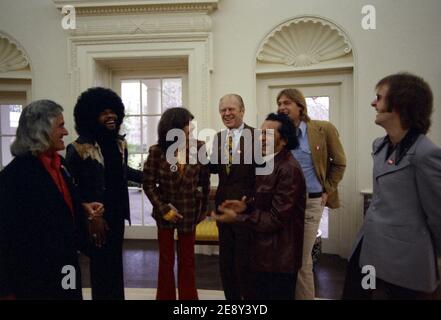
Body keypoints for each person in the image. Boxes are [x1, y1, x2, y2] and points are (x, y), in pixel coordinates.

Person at [342, 72, 441, 299]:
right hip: (369, 252)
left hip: (405, 263)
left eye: (379, 97)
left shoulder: (426, 154)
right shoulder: (380, 146)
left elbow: (438, 215)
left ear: (398, 105)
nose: (373, 103)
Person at [0, 100, 100, 300]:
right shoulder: (13, 177)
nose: (66, 132)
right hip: (35, 279)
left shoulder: (60, 165)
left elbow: (55, 205)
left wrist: (82, 208)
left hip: (67, 268)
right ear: (41, 131)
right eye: (60, 126)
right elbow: (5, 238)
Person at [212, 112, 306, 300]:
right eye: (260, 133)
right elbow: (265, 202)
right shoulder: (269, 163)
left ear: (284, 140)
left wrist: (238, 218)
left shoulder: (289, 169)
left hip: (277, 261)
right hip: (264, 256)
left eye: (268, 135)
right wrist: (244, 206)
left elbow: (275, 219)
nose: (261, 138)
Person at [65, 87, 142, 300]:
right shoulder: (78, 148)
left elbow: (124, 173)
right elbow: (71, 188)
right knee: (101, 267)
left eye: (113, 111)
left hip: (117, 214)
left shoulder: (120, 143)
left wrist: (152, 176)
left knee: (115, 265)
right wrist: (90, 217)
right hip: (96, 218)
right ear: (91, 116)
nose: (111, 116)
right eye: (103, 112)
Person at [277, 88, 346, 300]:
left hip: (310, 202)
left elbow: (339, 163)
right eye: (279, 103)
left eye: (287, 103)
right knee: (286, 258)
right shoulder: (280, 133)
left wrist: (327, 190)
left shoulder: (323, 129)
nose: (281, 107)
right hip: (284, 204)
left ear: (300, 106)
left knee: (302, 259)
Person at [143, 107, 210, 300]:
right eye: (187, 126)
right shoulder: (156, 151)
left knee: (187, 261)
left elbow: (204, 182)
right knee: (165, 261)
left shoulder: (199, 147)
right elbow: (148, 183)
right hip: (165, 215)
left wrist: (203, 210)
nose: (190, 130)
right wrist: (164, 208)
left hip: (190, 213)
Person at [209, 94, 257, 300]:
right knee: (226, 264)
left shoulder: (257, 136)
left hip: (246, 210)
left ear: (242, 110)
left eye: (231, 109)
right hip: (223, 208)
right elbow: (213, 167)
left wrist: (250, 203)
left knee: (245, 264)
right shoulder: (219, 138)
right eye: (223, 110)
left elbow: (263, 177)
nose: (227, 114)